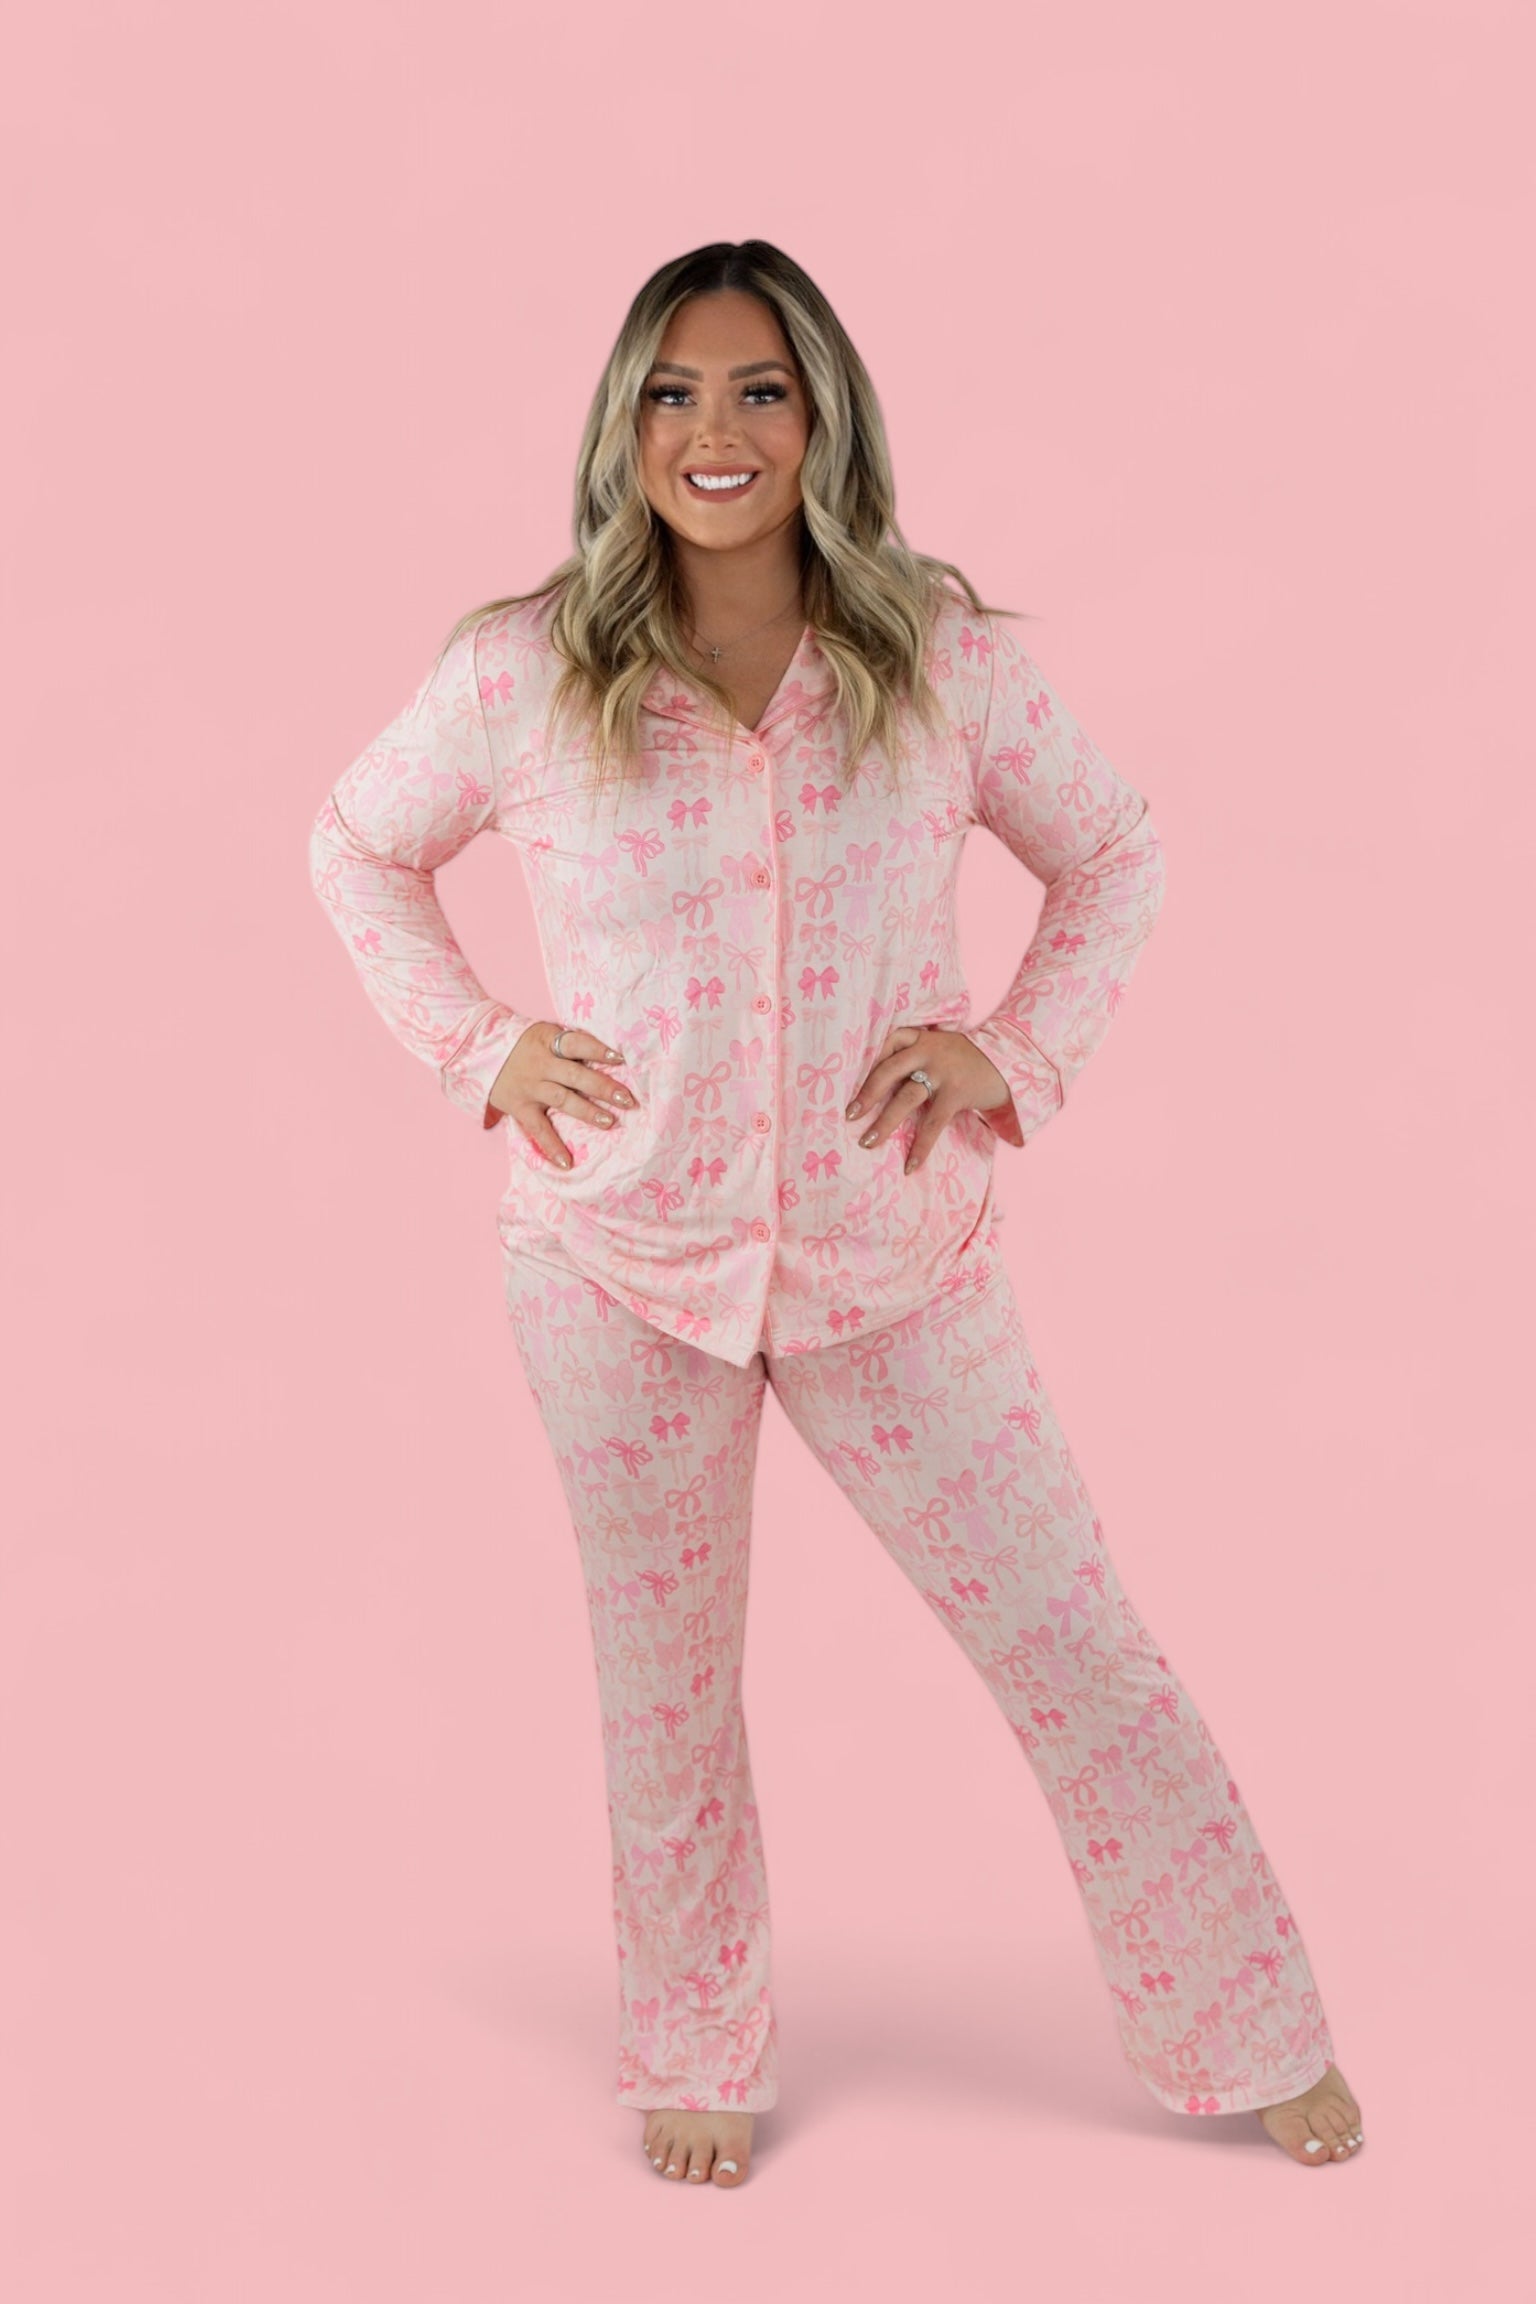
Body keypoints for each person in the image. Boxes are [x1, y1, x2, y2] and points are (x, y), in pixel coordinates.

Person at [308, 240, 1364, 2189]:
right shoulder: (523, 671)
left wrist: (1012, 1053)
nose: (713, 431)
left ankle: (1249, 2027)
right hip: (616, 1266)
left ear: (823, 420)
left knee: (1075, 1640)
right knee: (666, 1696)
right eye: (673, 392)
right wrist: (481, 1047)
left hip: (897, 1261)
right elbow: (357, 846)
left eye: (759, 391)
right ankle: (695, 2046)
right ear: (624, 425)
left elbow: (1115, 850)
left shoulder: (938, 656)